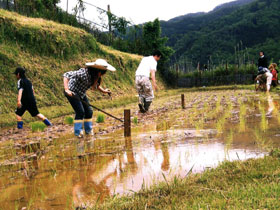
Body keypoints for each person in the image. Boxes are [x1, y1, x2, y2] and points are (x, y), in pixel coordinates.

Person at [63, 59, 115, 137]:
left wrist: (104, 91)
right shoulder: (83, 73)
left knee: (89, 111)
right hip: (72, 92)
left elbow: (96, 86)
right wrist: (67, 89)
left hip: (81, 94)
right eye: (102, 73)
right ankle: (78, 133)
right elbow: (66, 75)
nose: (102, 75)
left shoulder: (94, 76)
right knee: (80, 112)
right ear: (99, 72)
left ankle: (88, 131)